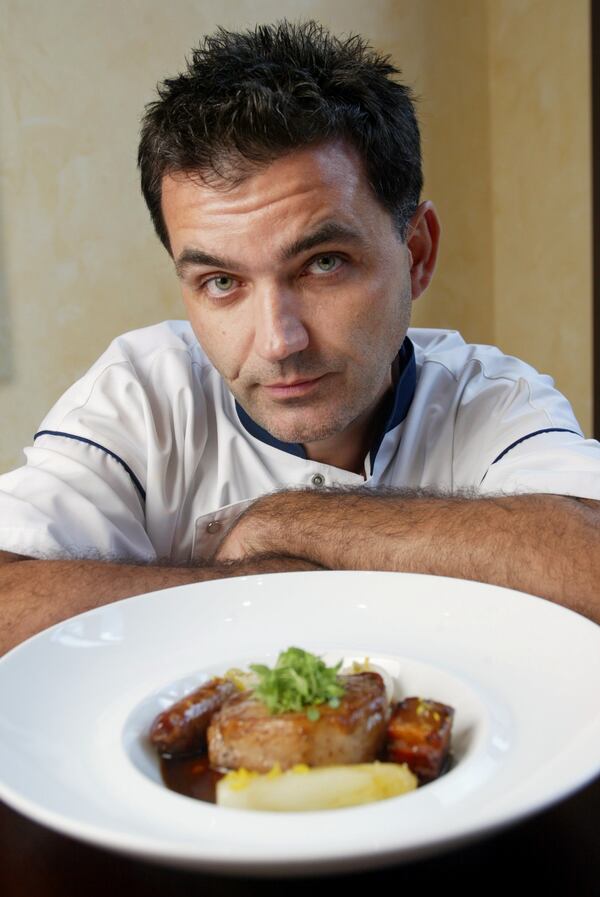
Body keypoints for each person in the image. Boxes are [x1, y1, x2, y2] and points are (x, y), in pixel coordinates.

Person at [1, 21, 599, 655]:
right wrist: (258, 583)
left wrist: (284, 521)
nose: (278, 341)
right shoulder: (142, 393)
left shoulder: (491, 400)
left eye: (323, 264)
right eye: (221, 281)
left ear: (416, 252)